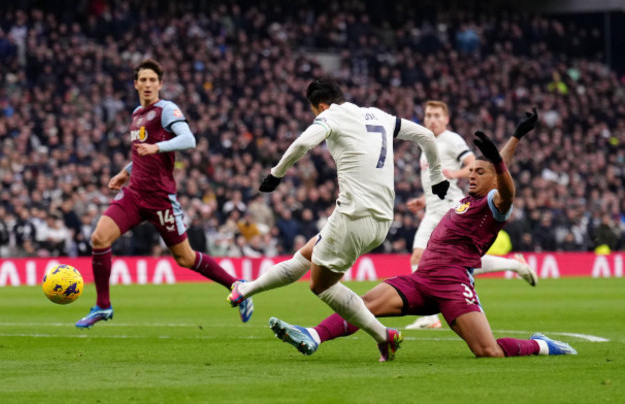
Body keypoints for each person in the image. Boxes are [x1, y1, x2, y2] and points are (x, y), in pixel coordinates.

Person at [267, 110, 578, 359]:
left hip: (454, 283)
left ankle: (540, 345)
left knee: (488, 351)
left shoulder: (495, 205)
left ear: (494, 180)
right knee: (366, 303)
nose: (471, 175)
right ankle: (314, 335)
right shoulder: (468, 198)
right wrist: (516, 136)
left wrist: (498, 159)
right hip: (424, 277)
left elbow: (507, 187)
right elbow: (496, 170)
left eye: (478, 173)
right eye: (470, 171)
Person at [227, 78, 450, 361]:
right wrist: (437, 177)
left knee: (321, 285)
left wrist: (276, 174)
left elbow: (302, 143)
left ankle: (385, 336)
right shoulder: (379, 115)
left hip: (355, 217)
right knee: (305, 255)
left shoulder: (331, 115)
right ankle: (246, 288)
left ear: (320, 106)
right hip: (379, 219)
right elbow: (427, 137)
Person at [75, 59, 253, 328]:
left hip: (160, 199)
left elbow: (188, 139)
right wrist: (126, 171)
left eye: (152, 80)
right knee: (99, 238)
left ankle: (238, 286)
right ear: (135, 84)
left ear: (160, 84)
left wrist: (159, 148)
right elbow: (141, 154)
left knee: (186, 258)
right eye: (143, 80)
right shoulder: (136, 114)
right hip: (134, 194)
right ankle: (103, 305)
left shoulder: (167, 110)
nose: (147, 84)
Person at [405, 101, 537, 330]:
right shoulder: (427, 144)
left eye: (437, 115)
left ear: (446, 119)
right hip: (432, 208)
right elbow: (438, 181)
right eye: (428, 115)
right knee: (418, 257)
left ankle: (430, 314)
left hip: (450, 207)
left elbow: (474, 166)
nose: (432, 119)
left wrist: (455, 174)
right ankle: (430, 315)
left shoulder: (452, 139)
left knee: (454, 260)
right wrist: (424, 199)